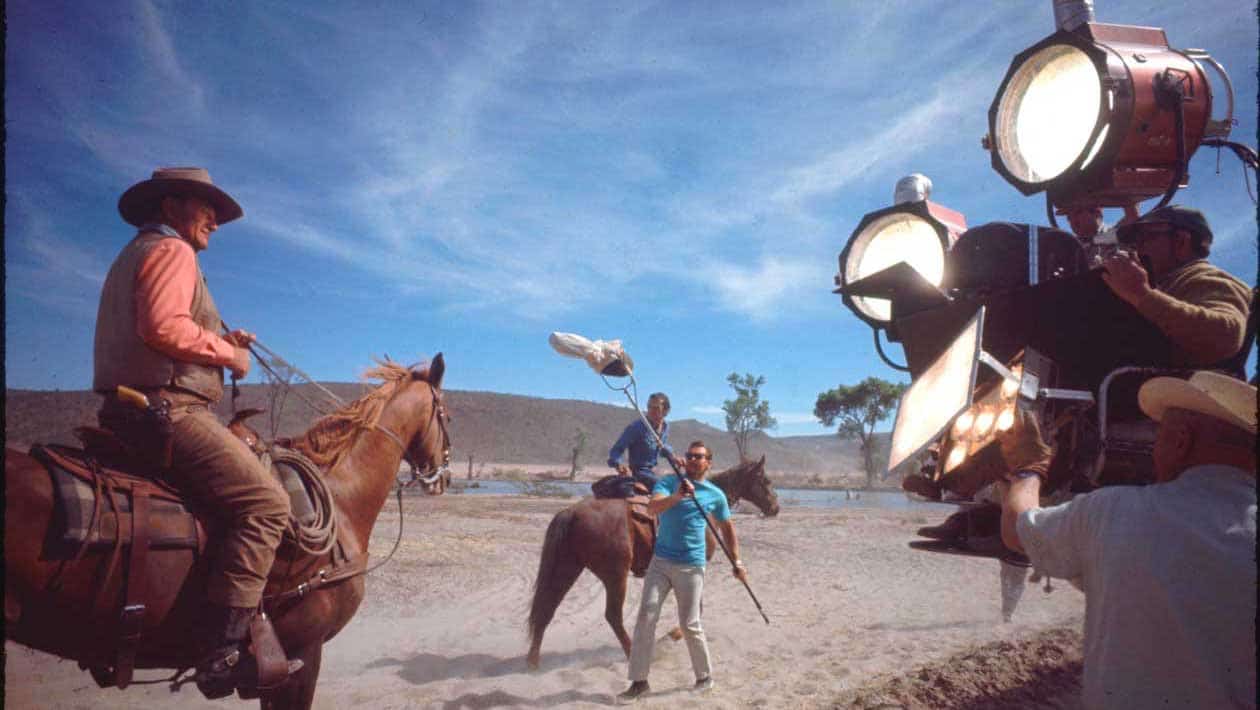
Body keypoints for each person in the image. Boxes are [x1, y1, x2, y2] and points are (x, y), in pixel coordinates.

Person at [93, 167, 299, 698]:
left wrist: (216, 337)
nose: (215, 220)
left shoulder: (135, 253)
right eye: (204, 206)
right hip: (168, 411)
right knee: (268, 506)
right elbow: (161, 326)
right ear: (169, 208)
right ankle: (222, 651)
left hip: (132, 407)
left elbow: (165, 328)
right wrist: (231, 354)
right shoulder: (173, 251)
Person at [998, 371, 1256, 709]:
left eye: (1159, 435)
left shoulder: (1113, 512)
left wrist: (1029, 469)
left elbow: (1018, 529)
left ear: (1181, 440)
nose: (1153, 449)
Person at [617, 440, 748, 703]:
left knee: (690, 624)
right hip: (660, 563)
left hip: (691, 565)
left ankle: (704, 677)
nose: (694, 460)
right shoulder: (668, 482)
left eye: (700, 456)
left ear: (708, 463)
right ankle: (639, 682)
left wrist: (738, 562)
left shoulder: (715, 495)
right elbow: (652, 508)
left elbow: (727, 529)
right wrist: (678, 496)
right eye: (690, 456)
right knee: (645, 618)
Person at [1104, 204, 1253, 375]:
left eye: (1146, 238)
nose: (1137, 248)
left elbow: (1226, 334)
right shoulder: (1162, 284)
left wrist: (1142, 296)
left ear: (1181, 241)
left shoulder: (1205, 278)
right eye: (1134, 242)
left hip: (1185, 395)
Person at [607, 392, 679, 498]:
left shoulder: (665, 427)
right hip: (639, 472)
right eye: (649, 407)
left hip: (653, 471)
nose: (651, 411)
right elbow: (616, 450)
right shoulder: (636, 427)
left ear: (666, 411)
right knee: (667, 489)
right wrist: (619, 464)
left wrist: (673, 455)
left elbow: (661, 446)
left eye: (656, 408)